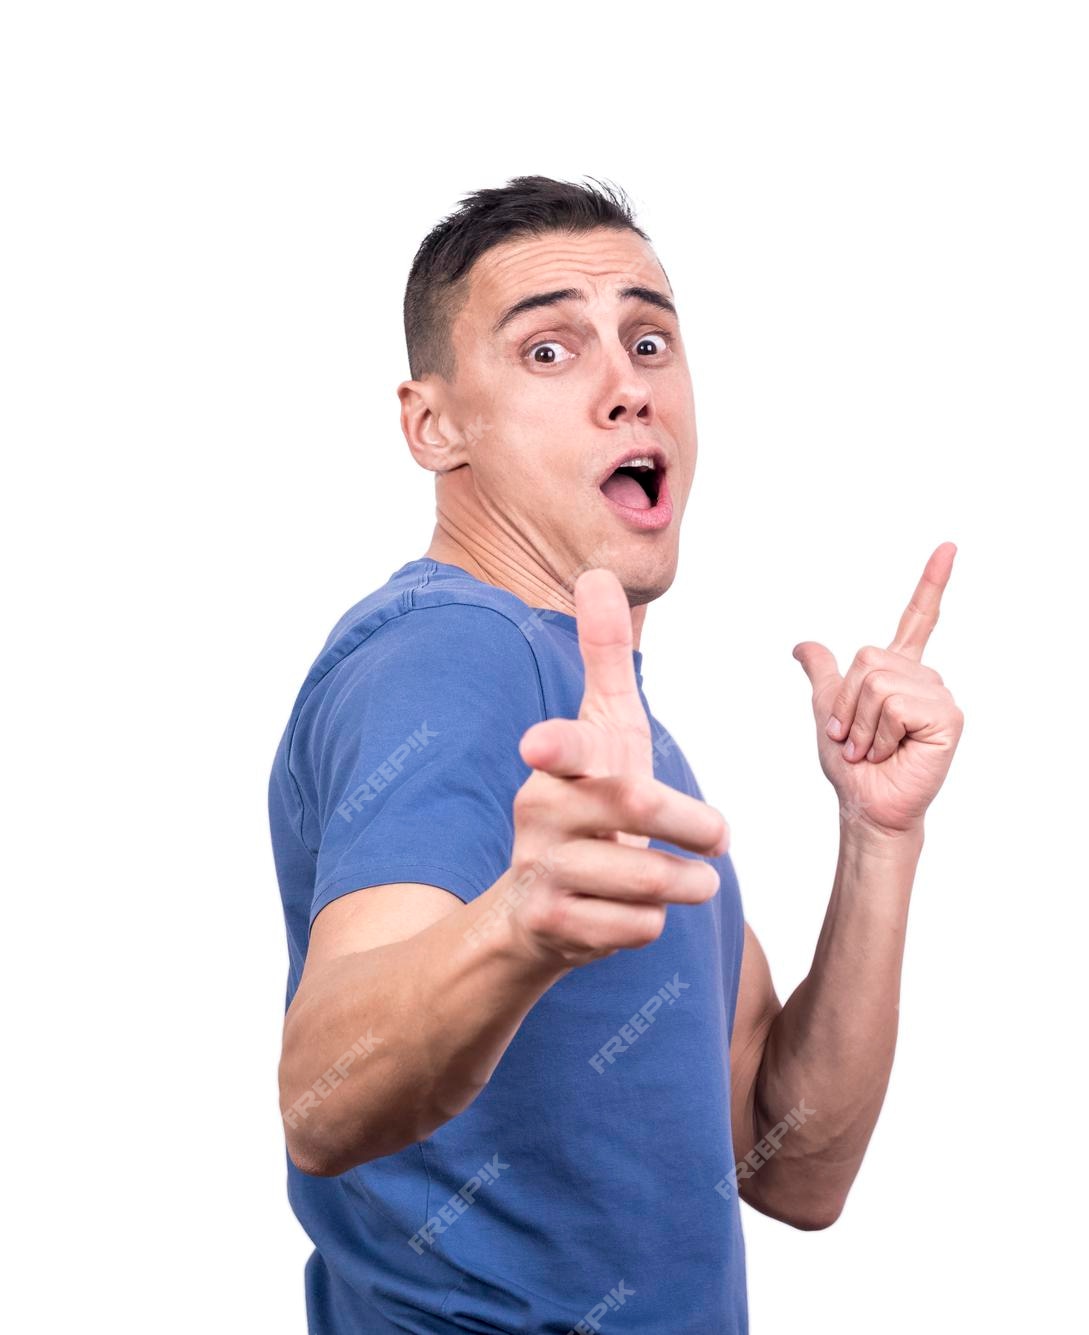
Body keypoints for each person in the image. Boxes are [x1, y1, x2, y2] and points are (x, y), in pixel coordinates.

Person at [269, 175, 963, 1333]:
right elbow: (320, 1101)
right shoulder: (451, 654)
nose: (627, 387)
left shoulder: (616, 736)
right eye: (549, 351)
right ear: (432, 423)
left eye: (649, 340)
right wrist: (516, 927)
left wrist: (878, 839)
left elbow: (790, 1166)